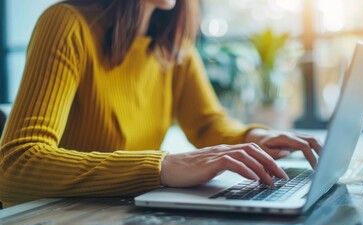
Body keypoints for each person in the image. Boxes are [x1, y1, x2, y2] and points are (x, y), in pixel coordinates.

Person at [0, 0, 322, 208]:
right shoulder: (66, 24)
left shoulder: (173, 46)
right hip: (55, 221)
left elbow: (208, 125)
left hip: (124, 215)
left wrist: (257, 138)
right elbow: (15, 167)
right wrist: (163, 167)